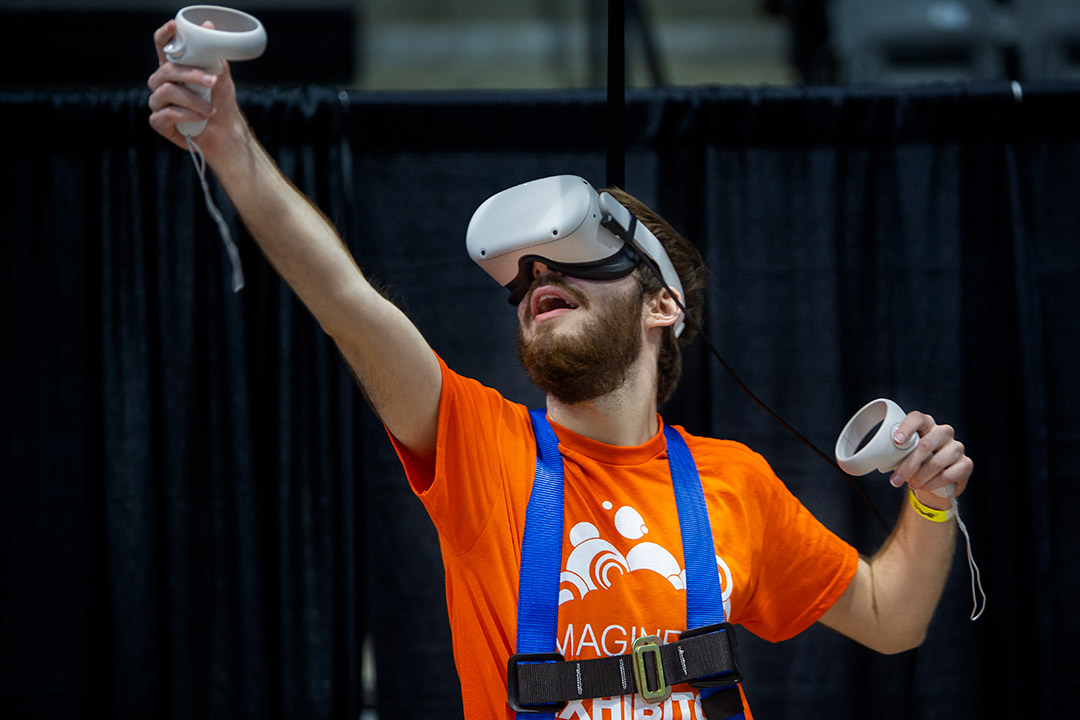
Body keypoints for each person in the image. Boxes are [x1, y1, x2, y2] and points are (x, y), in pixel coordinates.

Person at [147, 19, 973, 720]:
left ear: (661, 308)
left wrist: (932, 508)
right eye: (527, 276)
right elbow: (344, 299)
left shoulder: (737, 484)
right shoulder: (477, 447)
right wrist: (229, 144)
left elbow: (888, 619)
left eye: (571, 263)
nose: (540, 279)